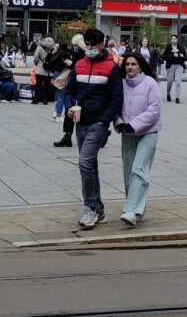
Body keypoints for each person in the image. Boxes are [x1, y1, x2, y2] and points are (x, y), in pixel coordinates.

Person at [69, 27, 124, 229]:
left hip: (98, 122)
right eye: (87, 44)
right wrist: (68, 107)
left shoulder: (112, 68)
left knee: (84, 162)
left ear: (101, 44)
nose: (89, 48)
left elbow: (117, 97)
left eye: (93, 45)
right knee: (90, 165)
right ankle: (98, 209)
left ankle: (89, 208)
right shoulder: (79, 64)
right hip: (80, 120)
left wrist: (105, 120)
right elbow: (69, 90)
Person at [115, 52, 162, 227]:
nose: (130, 67)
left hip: (148, 133)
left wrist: (133, 125)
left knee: (139, 170)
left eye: (133, 64)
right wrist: (119, 123)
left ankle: (131, 210)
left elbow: (154, 110)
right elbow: (115, 106)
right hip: (127, 134)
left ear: (140, 65)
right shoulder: (121, 84)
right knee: (128, 173)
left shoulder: (150, 84)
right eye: (127, 64)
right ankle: (136, 210)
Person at [161, 35, 187, 104]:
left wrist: (182, 56)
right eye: (172, 39)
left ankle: (177, 97)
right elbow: (163, 57)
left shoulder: (181, 48)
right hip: (170, 66)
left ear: (177, 40)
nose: (173, 40)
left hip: (179, 66)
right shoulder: (168, 48)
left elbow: (185, 58)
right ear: (171, 40)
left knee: (178, 82)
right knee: (169, 82)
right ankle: (168, 93)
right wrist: (172, 55)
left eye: (175, 38)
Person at [32, 37, 58, 105]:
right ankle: (45, 99)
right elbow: (55, 59)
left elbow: (36, 57)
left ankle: (36, 99)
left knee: (38, 85)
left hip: (40, 70)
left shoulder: (39, 48)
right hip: (49, 71)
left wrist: (37, 63)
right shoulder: (54, 49)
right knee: (47, 86)